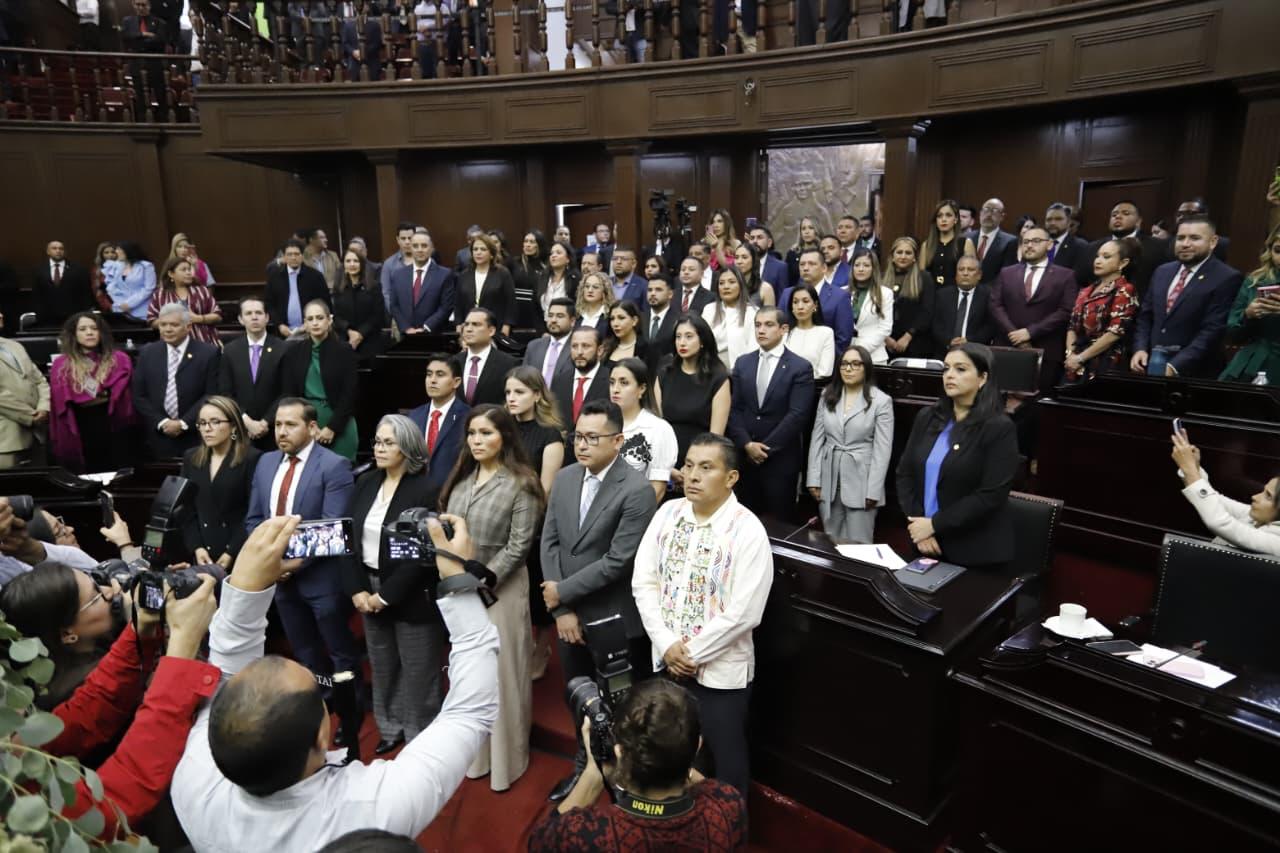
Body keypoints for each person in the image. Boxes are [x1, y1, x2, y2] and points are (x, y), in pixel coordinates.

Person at [170, 512, 498, 849]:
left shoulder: (192, 779)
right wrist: (457, 579)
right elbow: (469, 713)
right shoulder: (372, 809)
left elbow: (225, 666)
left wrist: (246, 584)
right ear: (321, 735)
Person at [0, 562, 219, 838]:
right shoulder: (13, 799)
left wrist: (139, 630)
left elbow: (81, 716)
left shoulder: (15, 747)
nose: (19, 706)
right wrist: (181, 649)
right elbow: (112, 805)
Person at [632, 433, 772, 795]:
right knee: (667, 755)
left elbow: (745, 612)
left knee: (726, 765)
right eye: (689, 465)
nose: (692, 475)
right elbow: (644, 582)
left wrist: (688, 655)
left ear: (731, 478)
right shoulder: (668, 513)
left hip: (720, 673)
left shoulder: (748, 529)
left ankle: (729, 824)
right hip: (667, 661)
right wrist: (667, 645)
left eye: (706, 468)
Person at [540, 398, 660, 801]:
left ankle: (626, 784)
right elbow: (550, 542)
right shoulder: (566, 477)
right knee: (579, 701)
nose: (582, 445)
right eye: (578, 436)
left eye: (593, 438)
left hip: (613, 620)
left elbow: (617, 561)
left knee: (621, 710)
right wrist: (561, 608)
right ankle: (584, 770)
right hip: (569, 615)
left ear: (618, 441)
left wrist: (562, 591)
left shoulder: (637, 490)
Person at [441, 404, 543, 792]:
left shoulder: (522, 481)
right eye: (472, 433)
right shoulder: (461, 479)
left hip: (501, 589)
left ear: (505, 437)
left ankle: (508, 762)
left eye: (486, 433)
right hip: (461, 588)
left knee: (504, 676)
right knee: (469, 672)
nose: (477, 440)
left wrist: (480, 581)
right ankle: (477, 757)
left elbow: (519, 546)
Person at [532, 679, 746, 850]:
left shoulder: (588, 836)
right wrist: (679, 757)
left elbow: (540, 842)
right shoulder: (727, 806)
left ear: (620, 752)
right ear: (697, 745)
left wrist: (593, 774)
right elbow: (710, 788)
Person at [343, 414, 445, 756]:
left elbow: (421, 555)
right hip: (368, 585)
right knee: (383, 664)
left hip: (409, 592)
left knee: (419, 669)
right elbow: (349, 536)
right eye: (377, 442)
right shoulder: (366, 481)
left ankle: (420, 735)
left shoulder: (426, 489)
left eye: (389, 443)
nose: (379, 448)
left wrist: (385, 596)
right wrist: (357, 589)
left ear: (408, 448)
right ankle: (389, 726)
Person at [245, 396, 359, 699]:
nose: (282, 431)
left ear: (312, 427)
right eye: (278, 425)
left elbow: (332, 528)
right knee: (305, 650)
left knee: (340, 652)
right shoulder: (265, 462)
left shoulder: (334, 465)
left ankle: (350, 705)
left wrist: (287, 565)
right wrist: (270, 562)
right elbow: (254, 520)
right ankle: (320, 701)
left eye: (291, 425)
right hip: (280, 580)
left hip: (321, 579)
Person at [895, 343, 1018, 571]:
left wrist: (934, 525)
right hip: (924, 542)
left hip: (974, 550)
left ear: (982, 378)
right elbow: (905, 473)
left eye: (960, 369)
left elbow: (991, 495)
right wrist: (919, 525)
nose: (949, 375)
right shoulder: (927, 417)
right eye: (946, 368)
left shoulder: (998, 427)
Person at [505, 365, 566, 681]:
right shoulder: (503, 431)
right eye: (508, 392)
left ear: (537, 395)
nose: (511, 398)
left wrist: (519, 515)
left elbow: (546, 490)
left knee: (536, 595)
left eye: (519, 392)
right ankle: (522, 645)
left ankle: (541, 647)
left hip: (535, 523)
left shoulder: (550, 435)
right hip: (503, 519)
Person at [727, 307, 815, 522]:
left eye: (768, 325)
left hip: (780, 459)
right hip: (746, 458)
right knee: (743, 521)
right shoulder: (743, 363)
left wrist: (764, 449)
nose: (761, 330)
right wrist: (747, 444)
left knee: (780, 523)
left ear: (783, 329)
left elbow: (797, 415)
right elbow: (735, 409)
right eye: (757, 325)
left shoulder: (800, 367)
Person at [1131, 215, 1243, 378]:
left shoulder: (1226, 277)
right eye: (1181, 238)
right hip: (1151, 364)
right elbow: (1145, 316)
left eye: (1194, 238)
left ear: (1213, 242)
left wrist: (1176, 365)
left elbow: (1213, 329)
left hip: (1195, 372)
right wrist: (1140, 348)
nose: (1185, 244)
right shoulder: (1162, 271)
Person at [807, 345, 893, 543]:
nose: (848, 369)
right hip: (829, 478)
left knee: (859, 546)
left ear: (866, 368)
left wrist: (873, 490)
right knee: (830, 542)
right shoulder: (827, 395)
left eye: (855, 364)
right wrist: (813, 478)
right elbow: (817, 439)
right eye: (844, 364)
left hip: (862, 481)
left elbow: (882, 450)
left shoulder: (881, 401)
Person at [989, 226, 1079, 393]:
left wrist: (1030, 332)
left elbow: (1066, 311)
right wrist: (1014, 334)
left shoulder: (1066, 275)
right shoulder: (1006, 273)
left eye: (1036, 241)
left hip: (1046, 350)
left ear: (1049, 245)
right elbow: (995, 305)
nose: (1029, 245)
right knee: (999, 398)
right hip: (1007, 348)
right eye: (1025, 242)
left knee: (1039, 402)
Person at [181, 395, 262, 569]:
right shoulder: (191, 458)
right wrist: (197, 547)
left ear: (233, 426)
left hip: (239, 552)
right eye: (202, 423)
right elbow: (186, 508)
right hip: (202, 554)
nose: (207, 429)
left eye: (215, 422)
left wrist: (231, 551)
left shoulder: (252, 458)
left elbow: (253, 511)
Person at [1171, 429, 1280, 557]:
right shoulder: (1260, 516)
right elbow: (1215, 499)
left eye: (1268, 496)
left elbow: (1220, 523)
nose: (1254, 497)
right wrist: (1193, 467)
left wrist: (1189, 469)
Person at [48, 312, 135, 472]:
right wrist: (102, 393)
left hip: (113, 425)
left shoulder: (119, 359)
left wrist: (92, 393)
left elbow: (119, 393)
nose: (89, 332)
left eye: (94, 328)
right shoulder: (62, 364)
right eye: (83, 329)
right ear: (74, 334)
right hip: (80, 426)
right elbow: (65, 399)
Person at [131, 303, 220, 459]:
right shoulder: (147, 353)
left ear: (188, 327)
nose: (168, 329)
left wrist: (183, 423)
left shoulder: (209, 353)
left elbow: (211, 394)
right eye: (163, 324)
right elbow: (139, 395)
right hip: (158, 435)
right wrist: (163, 422)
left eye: (174, 325)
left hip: (196, 434)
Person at [281, 300, 359, 461]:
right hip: (305, 421)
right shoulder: (294, 352)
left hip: (339, 421)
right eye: (310, 319)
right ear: (305, 324)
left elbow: (350, 394)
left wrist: (332, 428)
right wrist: (311, 426)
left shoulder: (344, 351)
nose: (315, 323)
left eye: (320, 318)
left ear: (329, 320)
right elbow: (290, 393)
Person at [653, 314, 730, 477]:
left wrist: (691, 468)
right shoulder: (664, 374)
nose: (682, 342)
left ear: (702, 341)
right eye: (678, 337)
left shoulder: (718, 378)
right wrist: (666, 467)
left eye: (689, 337)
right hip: (664, 461)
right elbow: (655, 427)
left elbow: (715, 437)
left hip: (701, 463)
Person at [1064, 238, 1140, 383]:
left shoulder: (1124, 290)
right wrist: (1070, 355)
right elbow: (1072, 326)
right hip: (1075, 362)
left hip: (1105, 361)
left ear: (1123, 263)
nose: (1098, 261)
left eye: (1106, 257)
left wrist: (1081, 358)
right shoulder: (1086, 290)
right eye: (1097, 256)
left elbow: (1115, 332)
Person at [218, 297, 286, 451]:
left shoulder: (283, 349)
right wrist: (246, 421)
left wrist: (265, 422)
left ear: (267, 317)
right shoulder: (230, 351)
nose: (254, 317)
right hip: (241, 429)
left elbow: (287, 391)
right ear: (240, 319)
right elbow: (225, 392)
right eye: (248, 313)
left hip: (274, 428)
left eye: (258, 313)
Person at [1220, 224, 1280, 385]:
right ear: (1270, 251)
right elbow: (1232, 335)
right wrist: (1248, 316)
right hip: (1251, 362)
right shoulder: (1255, 281)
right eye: (1278, 250)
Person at [611, 358, 678, 502]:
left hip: (634, 508)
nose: (615, 389)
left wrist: (634, 514)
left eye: (624, 383)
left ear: (641, 389)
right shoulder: (601, 423)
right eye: (612, 382)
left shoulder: (658, 429)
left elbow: (657, 489)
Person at [408, 354, 471, 498]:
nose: (432, 380)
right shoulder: (414, 415)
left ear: (456, 382)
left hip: (452, 495)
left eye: (440, 375)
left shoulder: (468, 417)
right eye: (429, 374)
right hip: (414, 494)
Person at [389, 230, 455, 336]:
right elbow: (394, 305)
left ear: (431, 248)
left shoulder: (444, 274)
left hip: (433, 334)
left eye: (424, 246)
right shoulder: (398, 275)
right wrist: (406, 327)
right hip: (406, 335)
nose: (420, 250)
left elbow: (446, 307)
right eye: (415, 246)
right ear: (410, 248)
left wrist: (426, 327)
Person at [453, 308, 520, 408]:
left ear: (491, 331)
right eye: (466, 324)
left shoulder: (509, 364)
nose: (468, 329)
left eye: (476, 324)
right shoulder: (453, 362)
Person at [931, 254, 996, 357]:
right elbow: (936, 324)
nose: (965, 273)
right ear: (956, 275)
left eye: (970, 270)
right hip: (945, 351)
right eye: (961, 270)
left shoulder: (988, 295)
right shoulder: (942, 295)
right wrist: (949, 341)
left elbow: (990, 326)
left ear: (979, 275)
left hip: (976, 352)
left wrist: (969, 341)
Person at [0, 334, 50, 468]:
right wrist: (31, 416)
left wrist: (44, 407)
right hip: (6, 437)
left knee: (39, 479)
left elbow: (40, 380)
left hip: (37, 435)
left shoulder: (15, 346)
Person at [148, 255, 222, 345]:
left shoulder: (202, 291)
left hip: (203, 342)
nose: (188, 273)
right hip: (172, 345)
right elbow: (152, 321)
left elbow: (217, 316)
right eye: (183, 270)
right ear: (171, 274)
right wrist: (173, 321)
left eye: (189, 269)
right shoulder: (160, 295)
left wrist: (198, 318)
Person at [266, 238, 331, 338]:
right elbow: (269, 304)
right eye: (289, 254)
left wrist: (309, 323)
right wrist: (279, 324)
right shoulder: (275, 277)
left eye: (296, 254)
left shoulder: (315, 276)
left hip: (310, 331)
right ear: (284, 256)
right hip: (283, 332)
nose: (293, 257)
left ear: (302, 255)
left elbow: (324, 303)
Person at [552, 326, 612, 431]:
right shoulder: (559, 381)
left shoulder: (611, 380)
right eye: (574, 346)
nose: (579, 352)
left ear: (599, 350)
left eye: (585, 346)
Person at [333, 248, 388, 362]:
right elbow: (336, 316)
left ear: (362, 264)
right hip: (346, 341)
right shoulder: (338, 287)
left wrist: (360, 334)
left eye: (356, 261)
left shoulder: (374, 286)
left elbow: (378, 315)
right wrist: (349, 331)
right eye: (348, 261)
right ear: (344, 264)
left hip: (370, 341)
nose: (352, 264)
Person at [456, 232, 516, 335]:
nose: (478, 252)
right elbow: (458, 303)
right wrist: (458, 325)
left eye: (483, 249)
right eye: (475, 249)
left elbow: (510, 303)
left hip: (494, 328)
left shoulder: (502, 273)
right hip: (469, 328)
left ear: (491, 254)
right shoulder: (464, 275)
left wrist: (507, 326)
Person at [703, 266, 759, 370]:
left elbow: (754, 348)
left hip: (742, 371)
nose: (726, 287)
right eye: (721, 283)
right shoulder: (709, 309)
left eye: (731, 282)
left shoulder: (752, 312)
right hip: (712, 370)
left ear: (741, 285)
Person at [32, 239, 94, 325]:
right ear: (48, 252)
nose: (58, 251)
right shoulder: (39, 270)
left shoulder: (78, 269)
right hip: (47, 317)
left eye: (61, 248)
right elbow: (36, 294)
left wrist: (85, 312)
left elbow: (86, 292)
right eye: (54, 248)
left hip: (73, 316)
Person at [848, 249, 894, 364]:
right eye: (857, 265)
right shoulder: (842, 292)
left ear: (874, 269)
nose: (861, 269)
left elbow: (885, 328)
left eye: (866, 265)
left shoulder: (885, 293)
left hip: (874, 356)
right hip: (846, 354)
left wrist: (860, 350)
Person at [920, 200, 976, 291]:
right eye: (939, 216)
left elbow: (971, 276)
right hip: (931, 294)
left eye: (948, 215)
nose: (943, 219)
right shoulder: (927, 245)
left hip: (955, 294)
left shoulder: (965, 243)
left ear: (956, 219)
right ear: (936, 220)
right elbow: (922, 277)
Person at [784, 283, 835, 379]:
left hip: (814, 385)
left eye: (805, 301)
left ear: (815, 305)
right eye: (795, 302)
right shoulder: (784, 333)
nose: (800, 306)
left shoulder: (826, 333)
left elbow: (825, 371)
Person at [524, 297, 576, 386]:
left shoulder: (577, 347)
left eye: (560, 316)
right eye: (550, 315)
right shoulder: (534, 346)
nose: (553, 320)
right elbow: (523, 378)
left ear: (572, 321)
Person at [105, 240, 156, 322]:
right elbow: (112, 286)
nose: (116, 252)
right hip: (121, 311)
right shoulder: (117, 266)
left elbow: (149, 288)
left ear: (127, 250)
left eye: (119, 249)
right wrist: (119, 303)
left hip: (141, 311)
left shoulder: (146, 266)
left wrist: (130, 304)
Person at [971, 199, 1020, 284]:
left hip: (992, 290)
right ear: (980, 213)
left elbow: (1007, 275)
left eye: (995, 211)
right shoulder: (965, 237)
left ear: (1002, 217)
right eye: (986, 209)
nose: (989, 214)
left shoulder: (1010, 241)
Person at [640, 273, 679, 373]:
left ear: (670, 294)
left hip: (668, 373)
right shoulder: (639, 318)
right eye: (649, 290)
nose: (653, 293)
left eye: (658, 290)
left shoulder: (679, 320)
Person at [1043, 202, 1090, 284]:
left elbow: (1079, 278)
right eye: (1049, 219)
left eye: (1058, 219)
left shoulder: (1080, 246)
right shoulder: (1038, 243)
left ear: (1068, 222)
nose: (1052, 223)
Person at [512, 229, 550, 329]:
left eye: (532, 242)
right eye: (526, 241)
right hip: (517, 314)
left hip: (538, 316)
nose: (528, 245)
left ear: (539, 245)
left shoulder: (545, 266)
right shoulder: (514, 263)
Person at [380, 221, 418, 310]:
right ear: (398, 239)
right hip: (398, 314)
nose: (407, 242)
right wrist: (396, 313)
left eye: (410, 238)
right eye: (403, 238)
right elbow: (386, 293)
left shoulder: (426, 262)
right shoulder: (389, 264)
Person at [538, 240, 579, 318]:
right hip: (545, 323)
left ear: (568, 259)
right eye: (551, 253)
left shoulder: (575, 279)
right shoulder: (542, 277)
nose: (553, 255)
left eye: (558, 253)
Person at [731, 242, 776, 308]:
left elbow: (770, 314)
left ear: (754, 260)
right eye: (736, 257)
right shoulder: (728, 286)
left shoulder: (766, 288)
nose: (739, 261)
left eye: (744, 257)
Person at [602, 300, 648, 364]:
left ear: (634, 320)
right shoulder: (605, 348)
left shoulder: (647, 349)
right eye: (612, 319)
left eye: (621, 318)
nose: (615, 324)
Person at [747, 223, 788, 291]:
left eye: (759, 237)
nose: (755, 241)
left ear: (769, 243)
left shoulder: (780, 267)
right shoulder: (741, 264)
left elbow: (782, 295)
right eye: (752, 238)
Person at [575, 271, 615, 337]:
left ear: (605, 291)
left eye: (595, 287)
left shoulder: (610, 315)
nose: (590, 290)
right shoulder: (576, 314)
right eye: (587, 286)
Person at [785, 216, 821, 289]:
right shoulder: (793, 253)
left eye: (811, 228)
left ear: (817, 230)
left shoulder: (823, 251)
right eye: (803, 228)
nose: (806, 232)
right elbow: (787, 280)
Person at [303, 226, 341, 292]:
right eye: (322, 237)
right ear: (311, 240)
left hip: (332, 293)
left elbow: (341, 275)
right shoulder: (302, 258)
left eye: (325, 237)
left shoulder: (333, 255)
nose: (326, 240)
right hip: (311, 295)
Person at [702, 209, 740, 274]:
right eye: (712, 222)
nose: (715, 225)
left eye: (719, 221)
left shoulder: (735, 243)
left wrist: (716, 247)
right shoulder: (703, 242)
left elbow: (730, 269)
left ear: (727, 223)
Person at [89, 241, 117, 313]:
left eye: (113, 252)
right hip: (104, 304)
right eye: (106, 252)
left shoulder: (123, 267)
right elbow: (97, 291)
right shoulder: (97, 271)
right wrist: (107, 306)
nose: (110, 255)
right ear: (101, 255)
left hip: (122, 303)